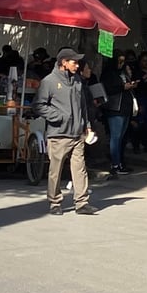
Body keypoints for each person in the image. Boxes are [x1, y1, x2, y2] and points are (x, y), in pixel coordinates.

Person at [34, 48, 96, 215]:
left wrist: (87, 124)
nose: (77, 65)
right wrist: (58, 117)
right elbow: (39, 105)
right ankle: (55, 202)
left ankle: (81, 202)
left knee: (80, 168)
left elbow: (82, 105)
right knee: (56, 170)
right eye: (74, 62)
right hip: (58, 134)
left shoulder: (77, 80)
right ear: (64, 62)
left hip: (77, 133)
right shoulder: (49, 81)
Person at [101, 50, 137, 177]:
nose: (121, 63)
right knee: (115, 137)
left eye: (123, 61)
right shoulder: (108, 73)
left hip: (125, 107)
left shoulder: (122, 72)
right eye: (119, 61)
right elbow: (108, 89)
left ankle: (120, 162)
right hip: (115, 108)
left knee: (121, 137)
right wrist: (122, 87)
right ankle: (115, 164)